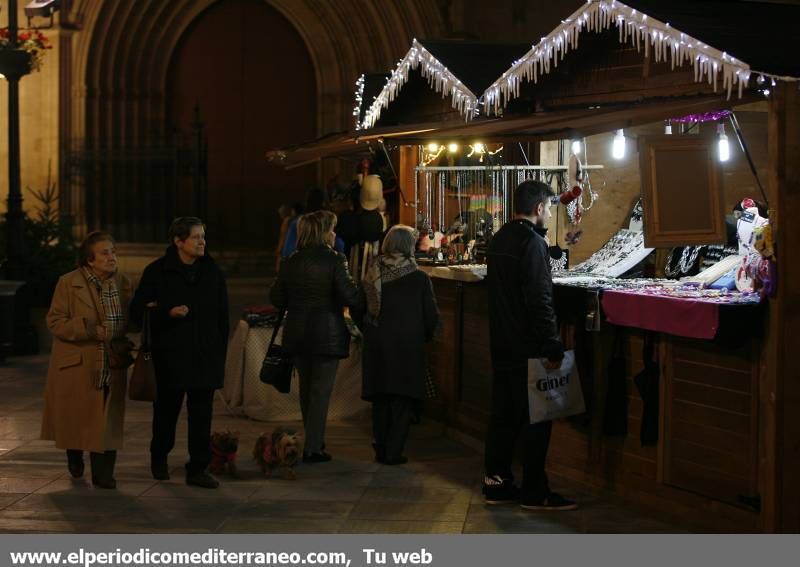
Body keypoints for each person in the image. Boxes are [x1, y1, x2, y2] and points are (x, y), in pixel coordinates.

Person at [482, 180, 577, 510]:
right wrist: (552, 344)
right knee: (537, 420)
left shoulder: (498, 240)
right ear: (539, 209)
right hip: (528, 347)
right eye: (549, 207)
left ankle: (496, 482)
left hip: (501, 344)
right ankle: (535, 491)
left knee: (503, 418)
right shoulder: (533, 244)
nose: (550, 213)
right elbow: (540, 300)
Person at [129, 217, 229, 489]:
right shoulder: (157, 272)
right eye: (196, 237)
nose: (202, 242)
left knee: (201, 415)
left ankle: (198, 468)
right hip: (169, 356)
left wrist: (220, 351)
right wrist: (166, 313)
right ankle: (159, 458)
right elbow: (137, 311)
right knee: (166, 413)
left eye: (203, 237)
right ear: (178, 241)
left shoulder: (212, 272)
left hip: (204, 356)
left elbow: (223, 315)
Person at [41, 231, 134, 489]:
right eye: (105, 252)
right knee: (79, 419)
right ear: (90, 259)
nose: (112, 256)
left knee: (107, 419)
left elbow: (130, 318)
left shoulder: (122, 283)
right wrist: (89, 329)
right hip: (78, 363)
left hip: (112, 361)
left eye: (113, 251)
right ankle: (74, 454)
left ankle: (104, 474)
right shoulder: (68, 282)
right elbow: (54, 321)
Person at [270, 210, 363, 463]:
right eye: (331, 229)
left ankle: (312, 440)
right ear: (322, 232)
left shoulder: (290, 261)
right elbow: (350, 296)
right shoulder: (335, 260)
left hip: (298, 334)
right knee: (320, 392)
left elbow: (277, 298)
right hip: (327, 335)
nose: (334, 234)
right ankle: (313, 447)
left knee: (307, 391)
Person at [356, 225, 439, 465]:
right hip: (407, 345)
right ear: (409, 246)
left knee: (380, 398)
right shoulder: (419, 277)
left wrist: (369, 330)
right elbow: (431, 316)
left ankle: (381, 448)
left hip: (377, 343)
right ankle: (393, 452)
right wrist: (423, 337)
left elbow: (359, 307)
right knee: (402, 400)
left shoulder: (372, 271)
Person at [274, 203, 295, 273]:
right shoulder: (292, 221)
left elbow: (283, 235)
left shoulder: (287, 221)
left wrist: (279, 248)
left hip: (286, 248)